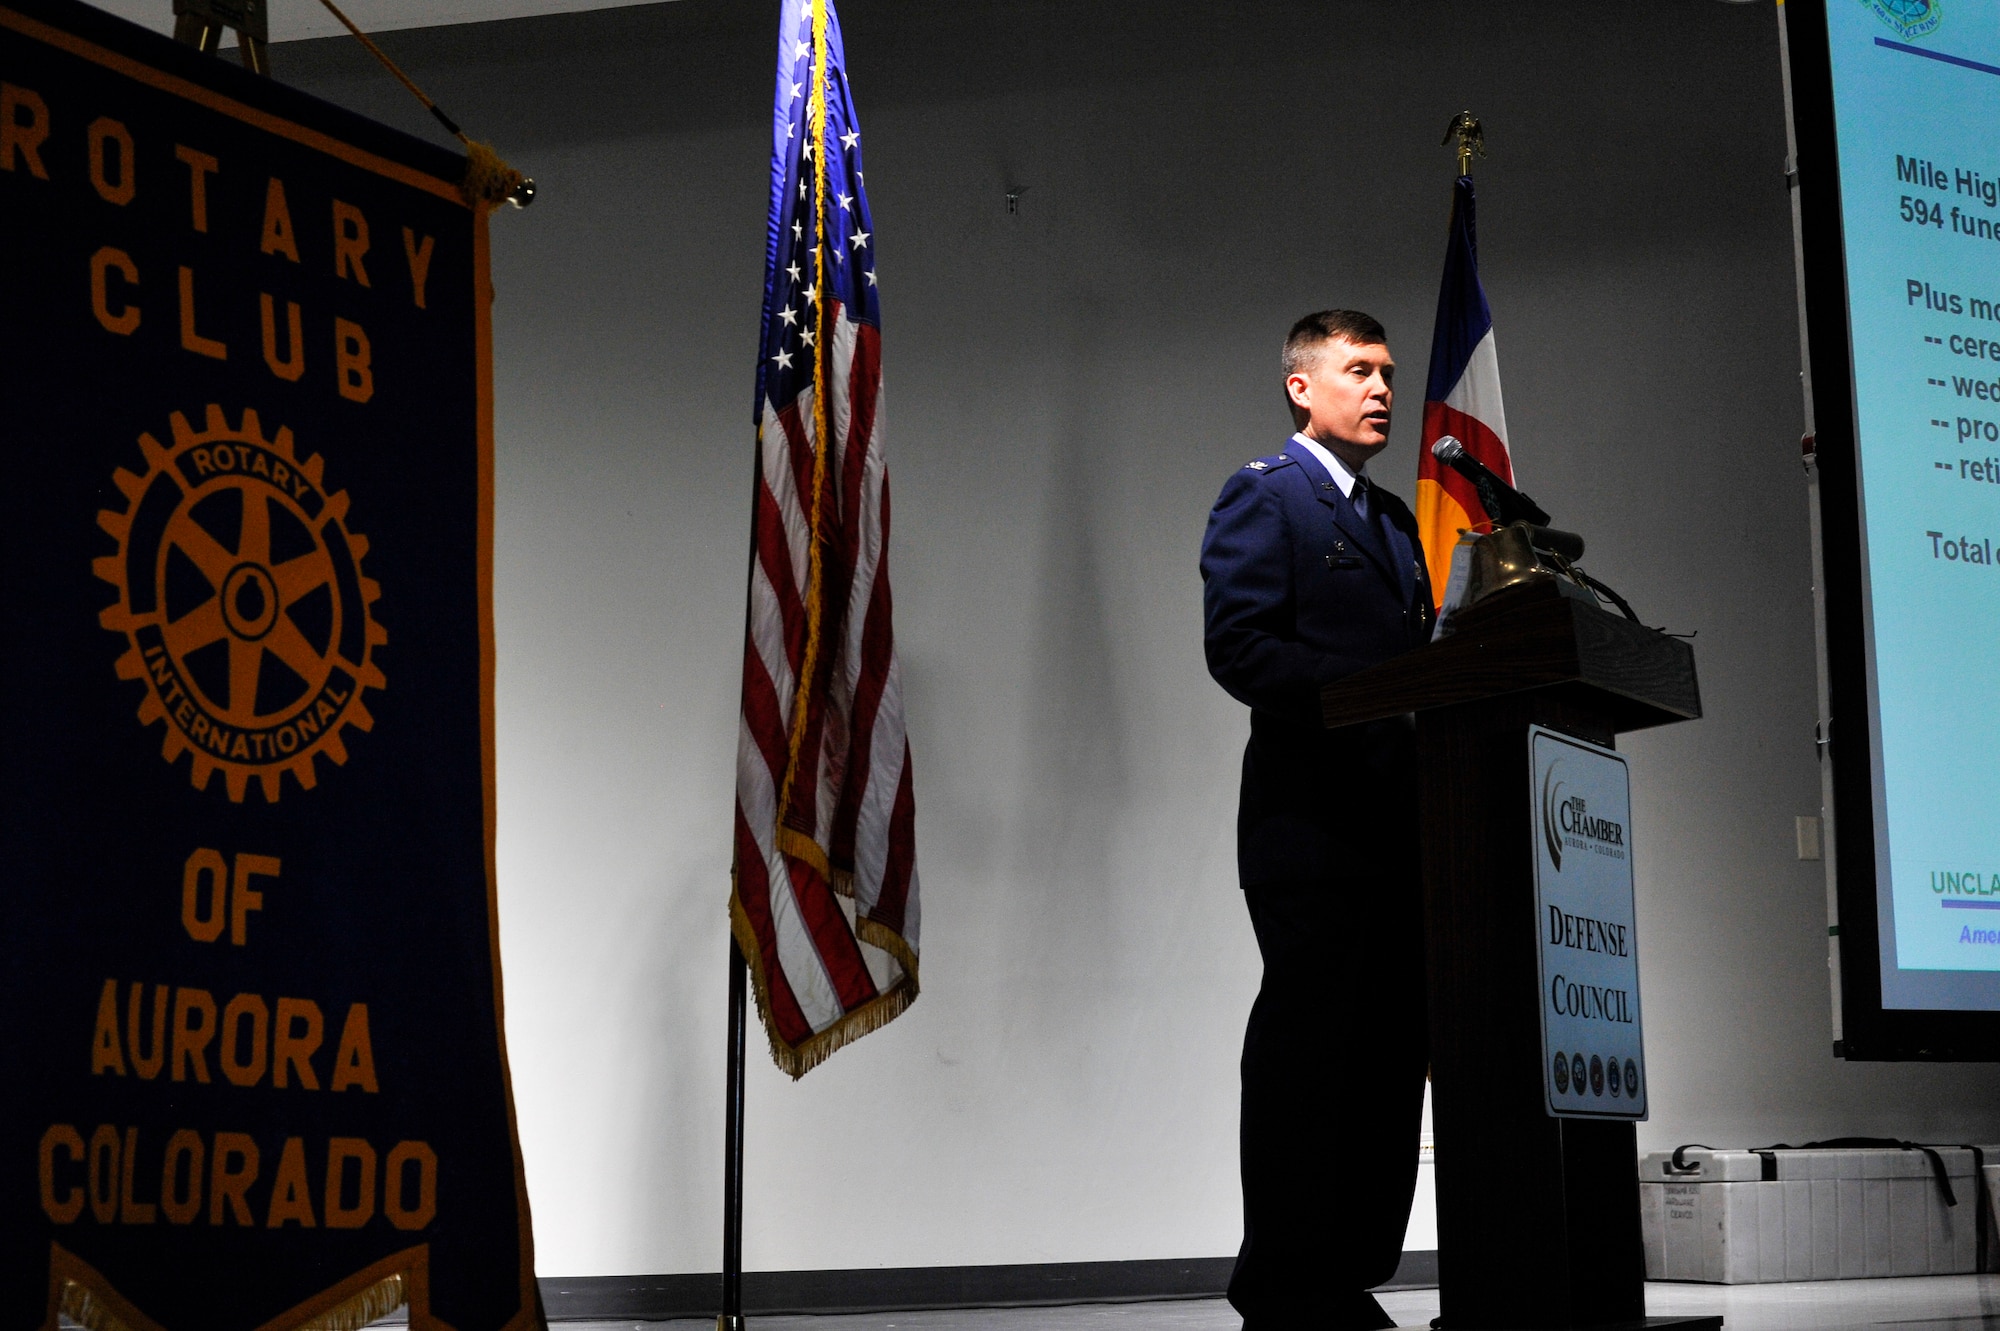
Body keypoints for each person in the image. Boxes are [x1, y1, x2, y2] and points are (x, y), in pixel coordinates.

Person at [1200, 310, 1434, 1331]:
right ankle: (1283, 1278)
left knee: (1389, 1060)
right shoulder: (1265, 494)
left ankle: (1346, 1271)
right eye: (1358, 370)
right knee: (1312, 1059)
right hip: (1312, 835)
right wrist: (1381, 694)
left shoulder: (1390, 521)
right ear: (1302, 386)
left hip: (1403, 837)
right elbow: (1239, 648)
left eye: (1387, 371)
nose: (1381, 386)